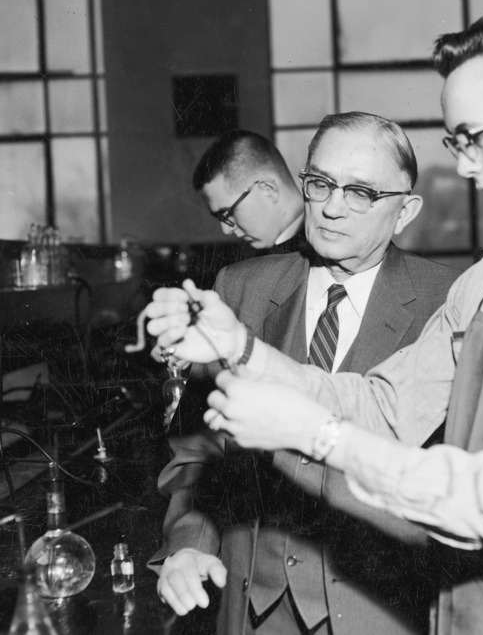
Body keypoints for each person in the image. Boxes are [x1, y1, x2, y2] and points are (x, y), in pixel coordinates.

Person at [146, 7, 483, 634]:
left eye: (475, 136)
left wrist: (319, 435)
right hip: (469, 610)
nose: (464, 165)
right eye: (455, 142)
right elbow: (386, 405)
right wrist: (244, 348)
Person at [150, 111, 461, 635]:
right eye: (320, 183)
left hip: (382, 611)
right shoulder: (241, 288)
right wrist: (186, 546)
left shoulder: (447, 302)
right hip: (251, 606)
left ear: (405, 211)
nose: (333, 208)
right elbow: (198, 452)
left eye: (361, 192)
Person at [185, 130, 307, 290]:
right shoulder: (252, 264)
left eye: (228, 213)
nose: (226, 229)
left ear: (268, 189)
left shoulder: (327, 250)